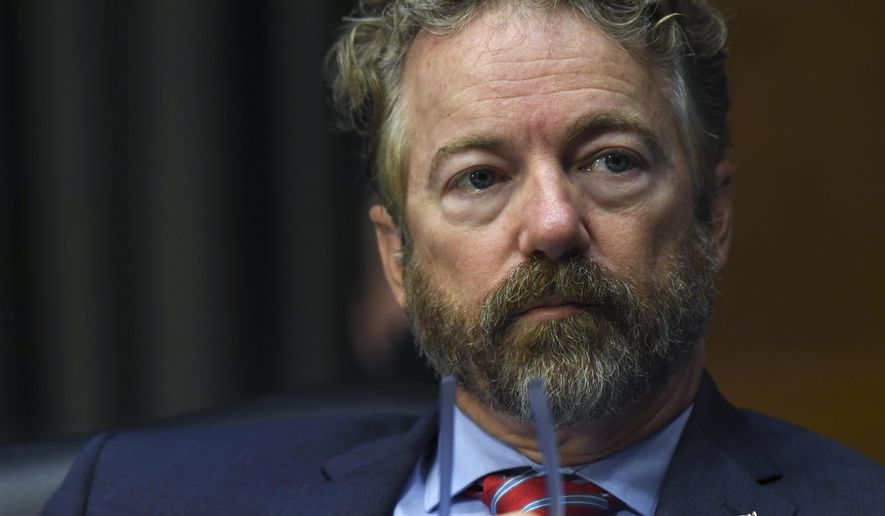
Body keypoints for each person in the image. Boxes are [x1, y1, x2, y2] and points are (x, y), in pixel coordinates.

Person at [44, 1, 884, 515]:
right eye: (479, 177)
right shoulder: (133, 499)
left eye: (611, 161)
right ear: (397, 259)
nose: (553, 224)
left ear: (714, 217)